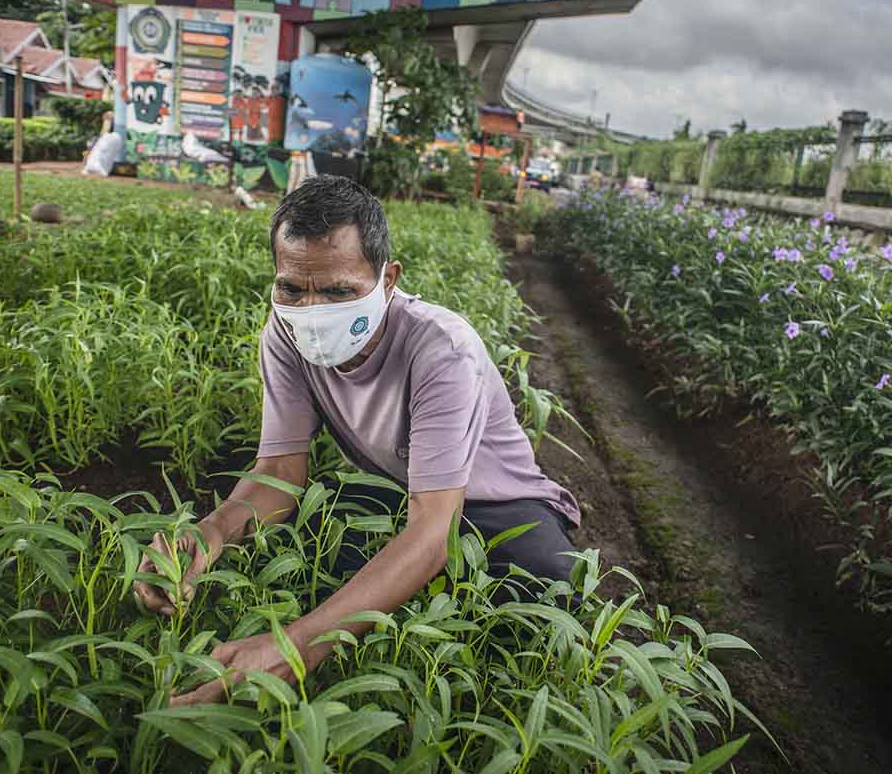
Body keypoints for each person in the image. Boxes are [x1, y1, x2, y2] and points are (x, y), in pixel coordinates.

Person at [134, 175, 581, 705]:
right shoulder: (285, 334)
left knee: (543, 597)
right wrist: (208, 535)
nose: (311, 311)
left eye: (339, 291)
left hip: (496, 506)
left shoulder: (441, 348)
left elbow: (433, 529)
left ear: (388, 279)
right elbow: (278, 472)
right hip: (400, 491)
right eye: (292, 288)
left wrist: (294, 648)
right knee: (315, 535)